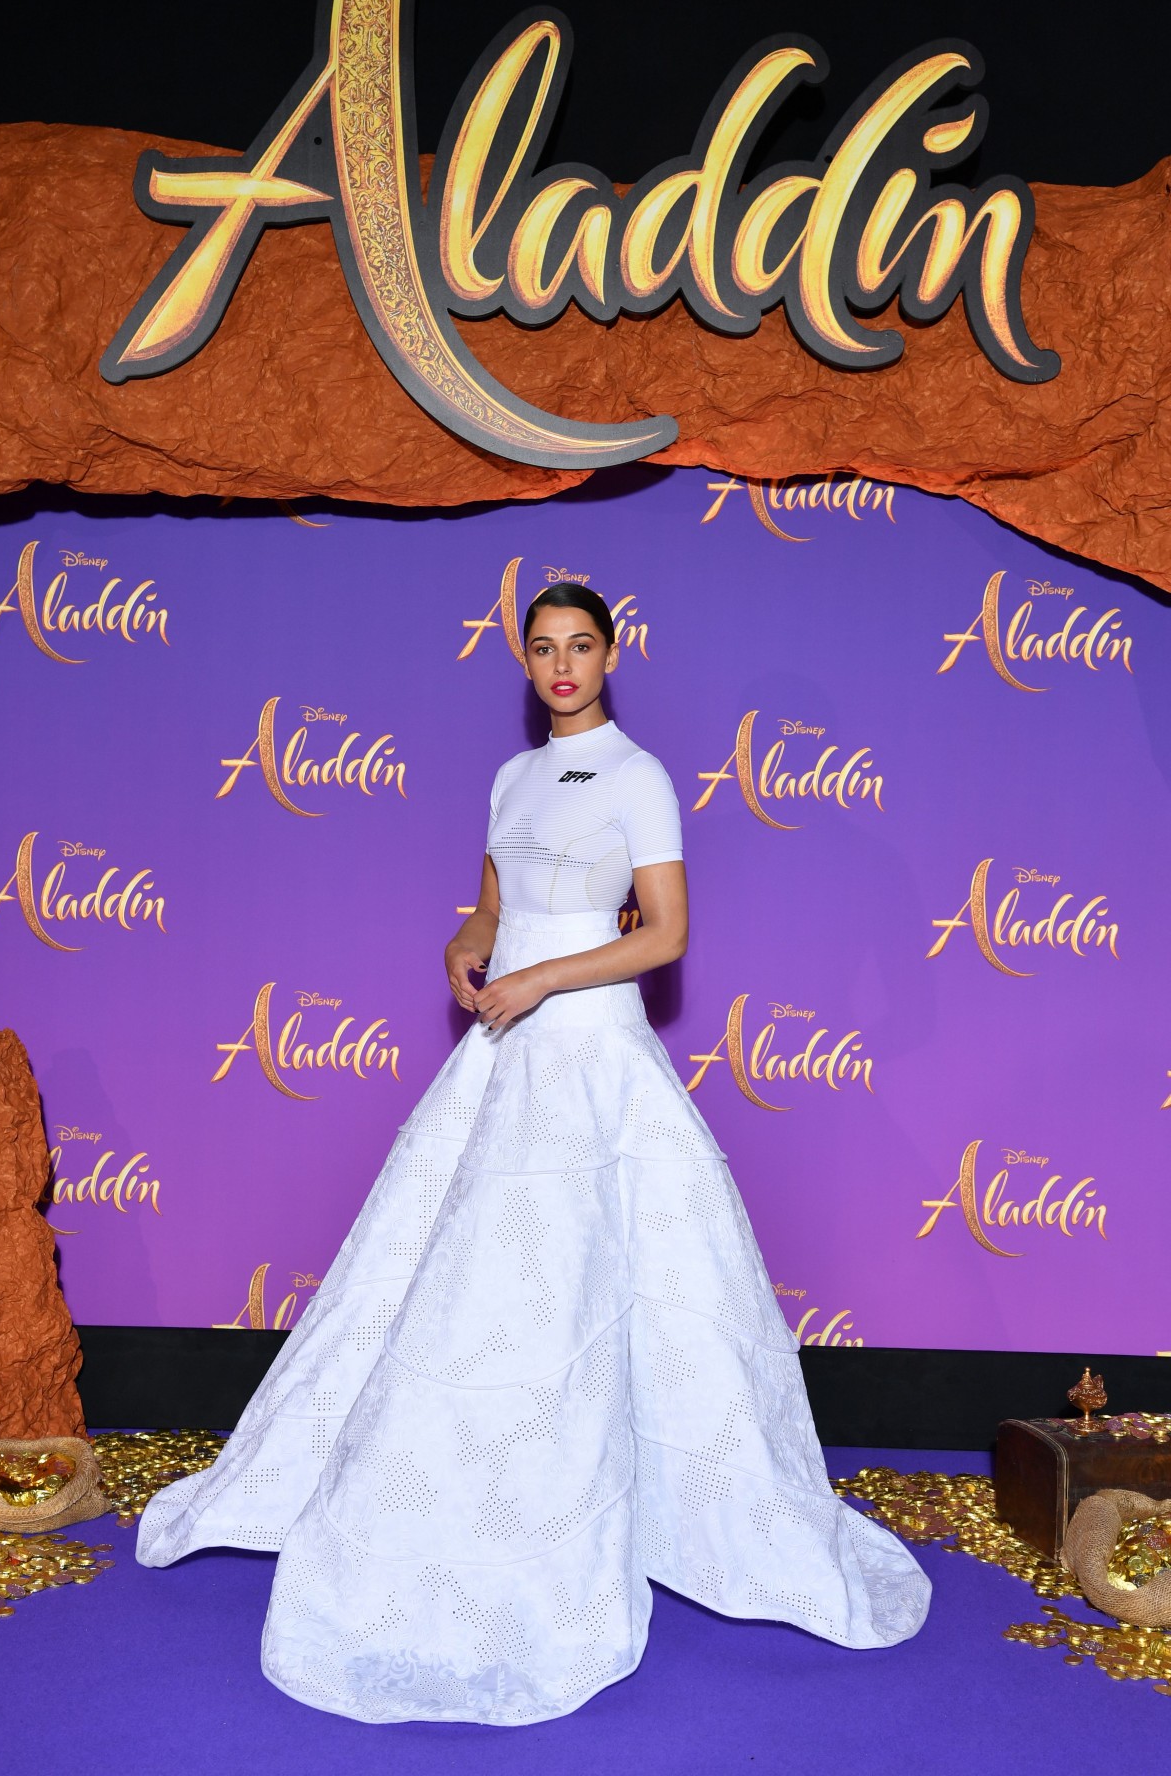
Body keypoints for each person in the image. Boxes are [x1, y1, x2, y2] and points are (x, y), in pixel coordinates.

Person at [136, 581, 930, 1724]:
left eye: (582, 647)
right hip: (504, 1052)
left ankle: (617, 1510)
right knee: (469, 1287)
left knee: (609, 1291)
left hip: (594, 1053)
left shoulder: (639, 776)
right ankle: (455, 1506)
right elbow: (484, 908)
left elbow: (666, 936)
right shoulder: (512, 779)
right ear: (525, 659)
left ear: (612, 655)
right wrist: (463, 952)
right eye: (545, 649)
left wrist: (544, 977)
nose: (564, 666)